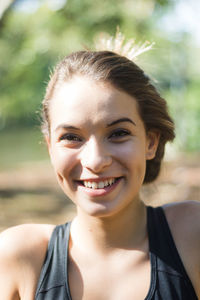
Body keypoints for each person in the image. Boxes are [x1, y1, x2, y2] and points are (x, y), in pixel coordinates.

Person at [0, 45, 200, 300]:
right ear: (50, 148)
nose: (95, 161)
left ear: (150, 142)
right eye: (71, 137)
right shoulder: (20, 258)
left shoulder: (192, 236)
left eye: (118, 133)